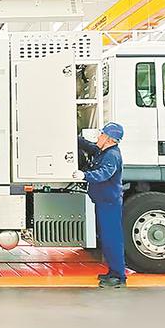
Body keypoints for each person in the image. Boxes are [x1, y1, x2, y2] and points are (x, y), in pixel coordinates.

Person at [74, 122, 126, 289]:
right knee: (106, 238)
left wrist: (84, 175)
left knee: (112, 239)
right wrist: (73, 137)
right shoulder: (103, 151)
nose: (99, 136)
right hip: (104, 201)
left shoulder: (112, 155)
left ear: (110, 139)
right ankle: (113, 272)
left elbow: (104, 174)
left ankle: (118, 276)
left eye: (102, 134)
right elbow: (90, 147)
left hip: (109, 203)